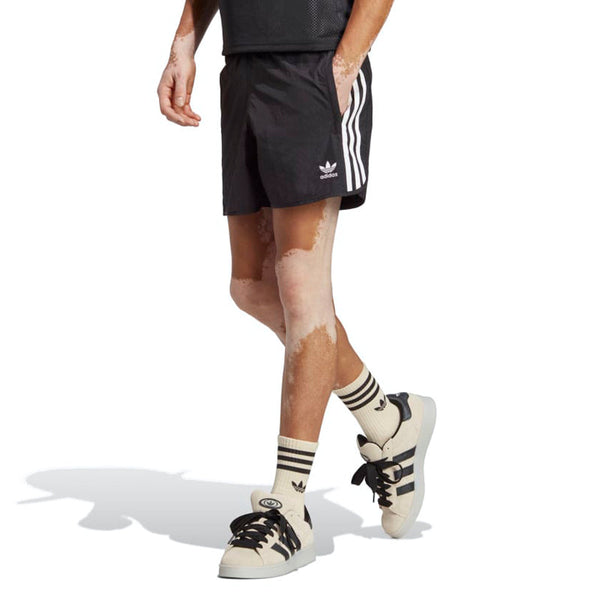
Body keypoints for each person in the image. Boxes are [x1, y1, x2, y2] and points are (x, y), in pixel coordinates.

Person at [157, 0, 436, 579]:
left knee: (301, 288)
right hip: (244, 65)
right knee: (251, 286)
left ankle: (288, 508)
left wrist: (342, 68)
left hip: (314, 62)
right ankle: (388, 421)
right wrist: (184, 44)